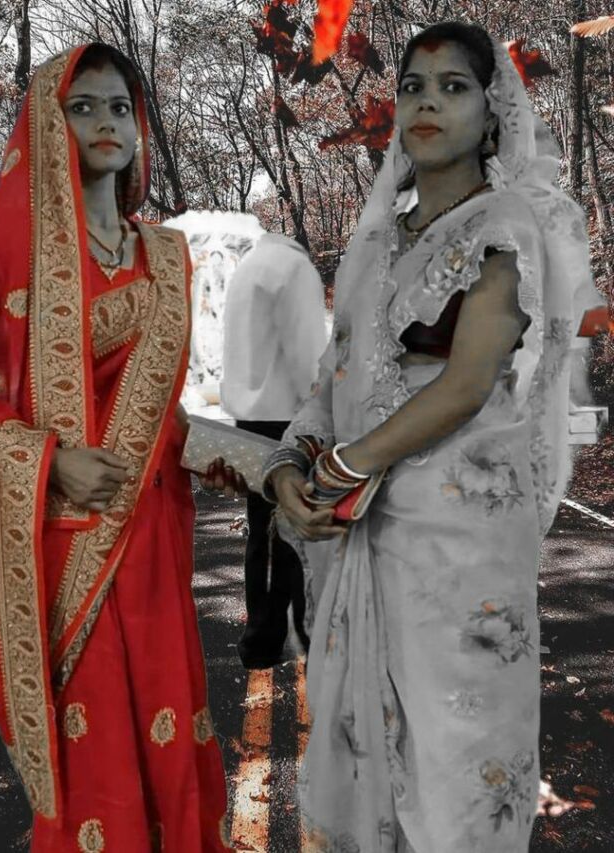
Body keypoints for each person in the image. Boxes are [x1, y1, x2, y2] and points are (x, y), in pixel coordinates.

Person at [263, 22, 604, 853]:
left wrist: (342, 469)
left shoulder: (505, 224)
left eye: (454, 87)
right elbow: (335, 375)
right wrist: (288, 467)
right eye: (414, 86)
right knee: (369, 752)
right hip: (363, 532)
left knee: (457, 765)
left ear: (492, 115)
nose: (427, 102)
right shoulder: (378, 239)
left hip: (459, 544)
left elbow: (467, 382)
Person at [0, 43, 240, 852]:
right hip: (68, 539)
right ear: (46, 125)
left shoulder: (166, 253)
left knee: (167, 720)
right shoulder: (11, 254)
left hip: (152, 533)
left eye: (120, 107)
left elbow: (163, 416)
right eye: (82, 106)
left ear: (139, 128)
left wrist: (241, 458)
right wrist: (51, 458)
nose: (105, 121)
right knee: (95, 759)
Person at [221, 232, 328, 667]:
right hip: (289, 416)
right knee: (297, 524)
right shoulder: (294, 269)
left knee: (261, 530)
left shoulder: (244, 272)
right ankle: (305, 633)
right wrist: (320, 404)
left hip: (251, 415)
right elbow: (308, 352)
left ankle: (261, 639)